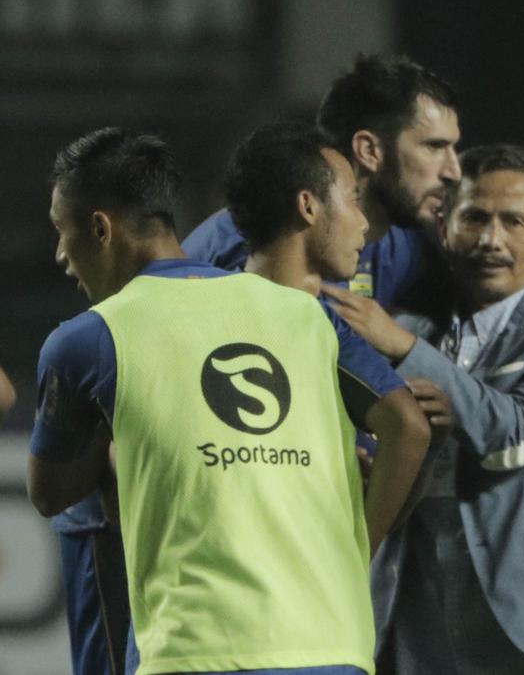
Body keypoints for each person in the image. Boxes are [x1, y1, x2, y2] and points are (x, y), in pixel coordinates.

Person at [27, 127, 430, 675]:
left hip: (194, 650)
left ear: (100, 228)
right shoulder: (304, 315)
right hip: (333, 644)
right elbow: (408, 424)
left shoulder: (90, 339)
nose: (60, 254)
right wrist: (357, 549)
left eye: (61, 230)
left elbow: (50, 494)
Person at [330, 144, 524, 673]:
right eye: (475, 217)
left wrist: (403, 347)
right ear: (445, 229)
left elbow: (518, 437)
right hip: (421, 632)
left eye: (512, 221)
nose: (492, 239)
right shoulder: (416, 331)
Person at [184, 53, 524, 374]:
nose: (454, 170)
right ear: (369, 150)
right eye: (434, 147)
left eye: (455, 148)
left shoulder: (407, 247)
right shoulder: (244, 239)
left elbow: (496, 302)